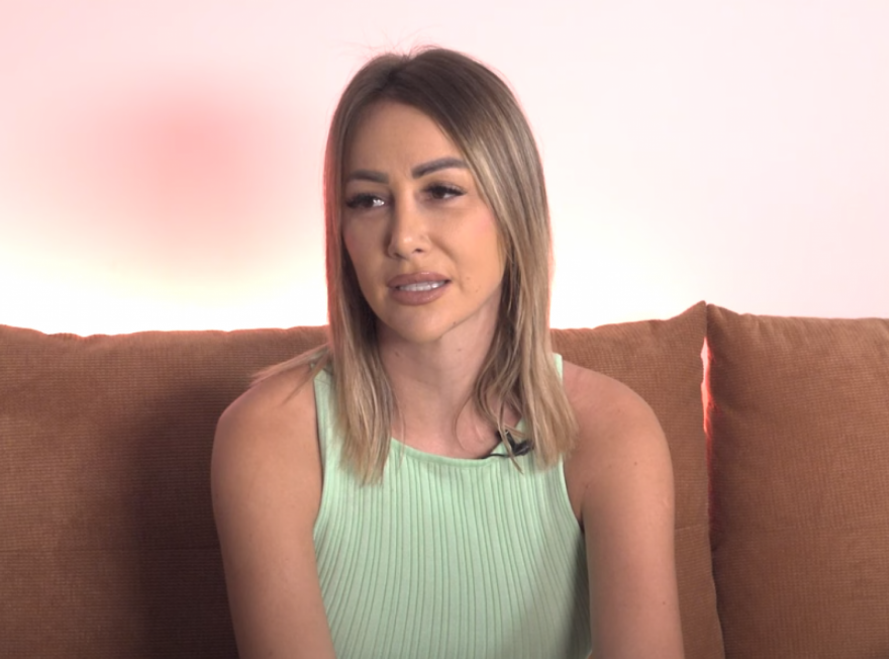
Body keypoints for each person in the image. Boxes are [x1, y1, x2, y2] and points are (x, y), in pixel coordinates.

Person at [211, 47, 684, 659]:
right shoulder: (270, 436)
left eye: (441, 190)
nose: (404, 238)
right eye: (368, 200)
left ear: (513, 211)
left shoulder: (614, 432)